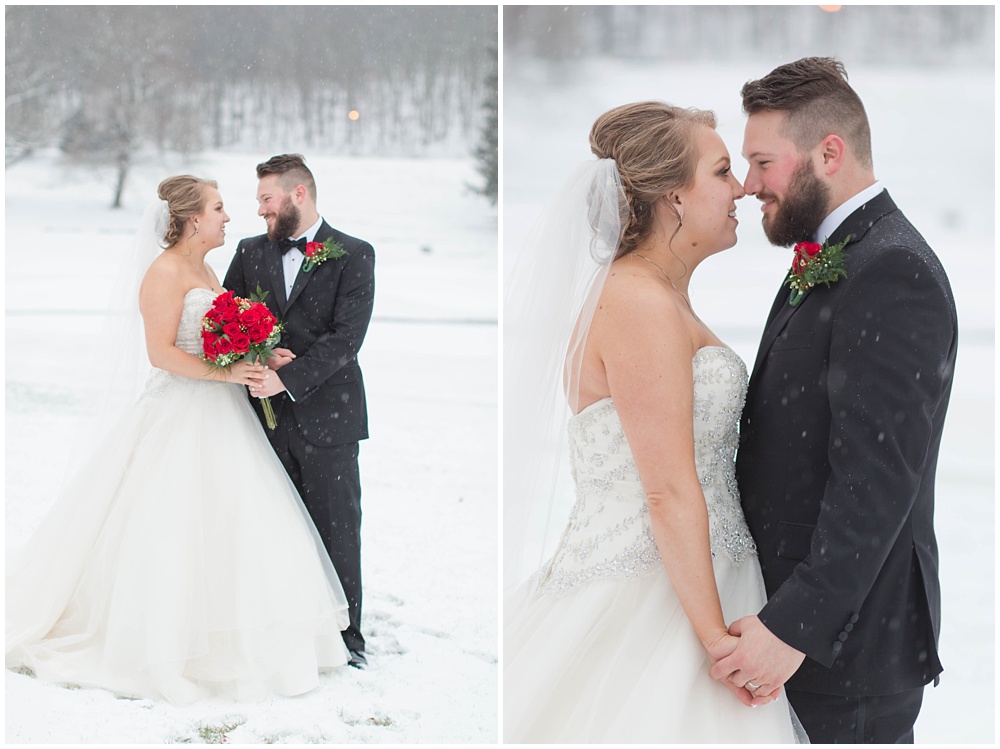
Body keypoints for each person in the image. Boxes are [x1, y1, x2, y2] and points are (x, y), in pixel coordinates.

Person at [503, 102, 802, 742]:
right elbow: (666, 490)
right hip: (652, 595)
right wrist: (715, 644)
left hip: (705, 570)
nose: (743, 188)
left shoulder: (659, 296)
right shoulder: (636, 301)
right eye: (722, 172)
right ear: (673, 197)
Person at [6, 176, 353, 704]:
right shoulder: (164, 272)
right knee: (169, 525)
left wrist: (259, 357)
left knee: (235, 522)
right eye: (218, 208)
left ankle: (231, 633)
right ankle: (160, 640)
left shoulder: (208, 269)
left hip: (224, 413)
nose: (228, 217)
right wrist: (225, 376)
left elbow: (217, 341)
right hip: (180, 412)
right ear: (193, 219)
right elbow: (162, 353)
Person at [708, 57, 957, 743]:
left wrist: (792, 628)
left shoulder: (892, 270)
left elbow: (875, 483)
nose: (749, 183)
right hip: (798, 638)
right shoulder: (837, 252)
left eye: (763, 162)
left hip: (846, 656)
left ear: (829, 152)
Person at [224, 154, 375, 669]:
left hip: (328, 416)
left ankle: (345, 636)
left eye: (267, 199)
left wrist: (285, 378)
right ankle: (281, 629)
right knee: (272, 527)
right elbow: (226, 321)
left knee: (336, 525)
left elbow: (345, 341)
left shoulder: (354, 254)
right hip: (259, 419)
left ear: (298, 195)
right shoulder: (248, 252)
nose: (261, 210)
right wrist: (258, 360)